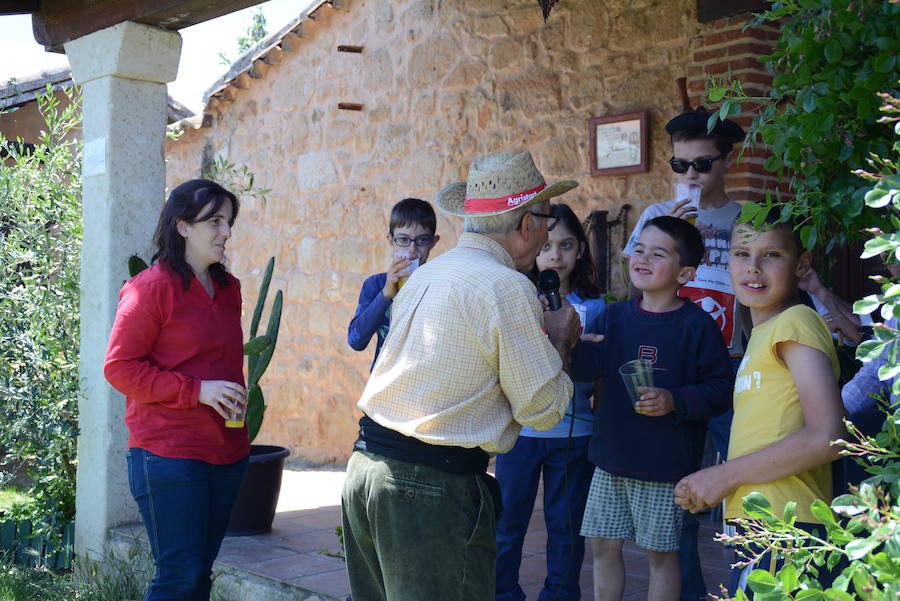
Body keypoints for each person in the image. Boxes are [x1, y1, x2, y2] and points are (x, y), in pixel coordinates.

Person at [341, 151, 583, 601]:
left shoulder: (429, 272)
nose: (547, 235)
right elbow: (545, 411)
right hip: (428, 487)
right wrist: (560, 341)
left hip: (366, 471)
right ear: (527, 224)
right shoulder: (506, 286)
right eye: (547, 223)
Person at [674, 214, 845, 594]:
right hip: (764, 526)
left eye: (771, 254)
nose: (752, 267)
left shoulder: (796, 321)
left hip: (787, 527)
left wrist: (723, 475)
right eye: (741, 253)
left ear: (801, 264)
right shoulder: (763, 334)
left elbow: (829, 435)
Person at [570, 216, 733, 601]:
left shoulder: (697, 326)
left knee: (661, 555)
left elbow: (721, 389)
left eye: (658, 253)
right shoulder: (613, 316)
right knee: (602, 547)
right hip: (610, 459)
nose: (642, 258)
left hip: (665, 465)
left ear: (686, 272)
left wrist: (674, 400)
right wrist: (571, 344)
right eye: (638, 249)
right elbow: (585, 368)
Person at [622, 108, 747, 601]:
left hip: (732, 363)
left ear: (727, 161)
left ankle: (747, 587)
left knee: (738, 482)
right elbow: (629, 283)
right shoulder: (656, 217)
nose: (690, 177)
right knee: (680, 493)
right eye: (680, 167)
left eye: (702, 165)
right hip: (672, 364)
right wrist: (667, 235)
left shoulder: (745, 218)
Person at [104, 179, 250, 601]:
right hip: (166, 454)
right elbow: (119, 368)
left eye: (229, 222)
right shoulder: (150, 288)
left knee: (199, 574)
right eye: (215, 222)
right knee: (178, 576)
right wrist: (197, 391)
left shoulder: (229, 288)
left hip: (226, 452)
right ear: (183, 226)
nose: (226, 232)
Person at [495, 203, 606, 601]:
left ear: (580, 251)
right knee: (507, 524)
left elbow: (596, 370)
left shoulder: (596, 308)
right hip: (521, 432)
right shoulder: (516, 298)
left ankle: (560, 594)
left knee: (566, 527)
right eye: (548, 246)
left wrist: (573, 344)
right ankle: (502, 592)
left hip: (573, 434)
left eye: (567, 245)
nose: (555, 255)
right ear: (534, 247)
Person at [347, 198, 440, 368]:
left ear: (433, 242)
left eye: (421, 240)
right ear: (391, 240)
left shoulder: (439, 285)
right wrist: (385, 294)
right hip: (384, 386)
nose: (412, 249)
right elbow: (356, 340)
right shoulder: (375, 285)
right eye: (403, 240)